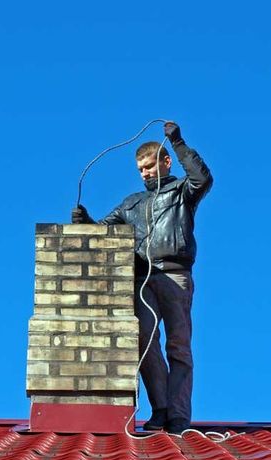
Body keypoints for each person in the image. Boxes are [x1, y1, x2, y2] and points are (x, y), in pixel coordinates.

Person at [71, 122, 213, 434]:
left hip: (176, 275)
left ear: (165, 163)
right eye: (140, 169)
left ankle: (178, 417)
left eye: (149, 166)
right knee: (143, 343)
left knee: (179, 346)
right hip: (142, 278)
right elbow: (105, 230)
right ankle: (160, 409)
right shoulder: (131, 203)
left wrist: (176, 142)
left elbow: (202, 179)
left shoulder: (182, 191)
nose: (145, 173)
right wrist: (85, 221)